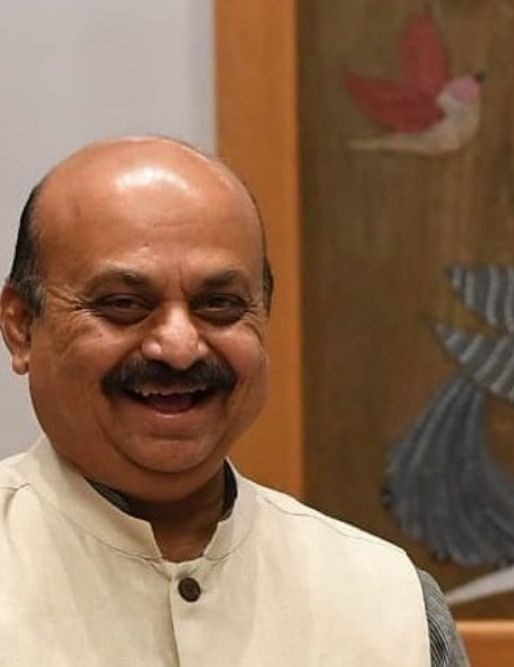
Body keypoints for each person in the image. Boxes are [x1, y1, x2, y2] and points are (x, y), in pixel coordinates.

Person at [0, 136, 469, 665]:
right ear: (21, 326)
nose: (179, 347)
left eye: (219, 304)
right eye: (124, 304)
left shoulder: (388, 600)